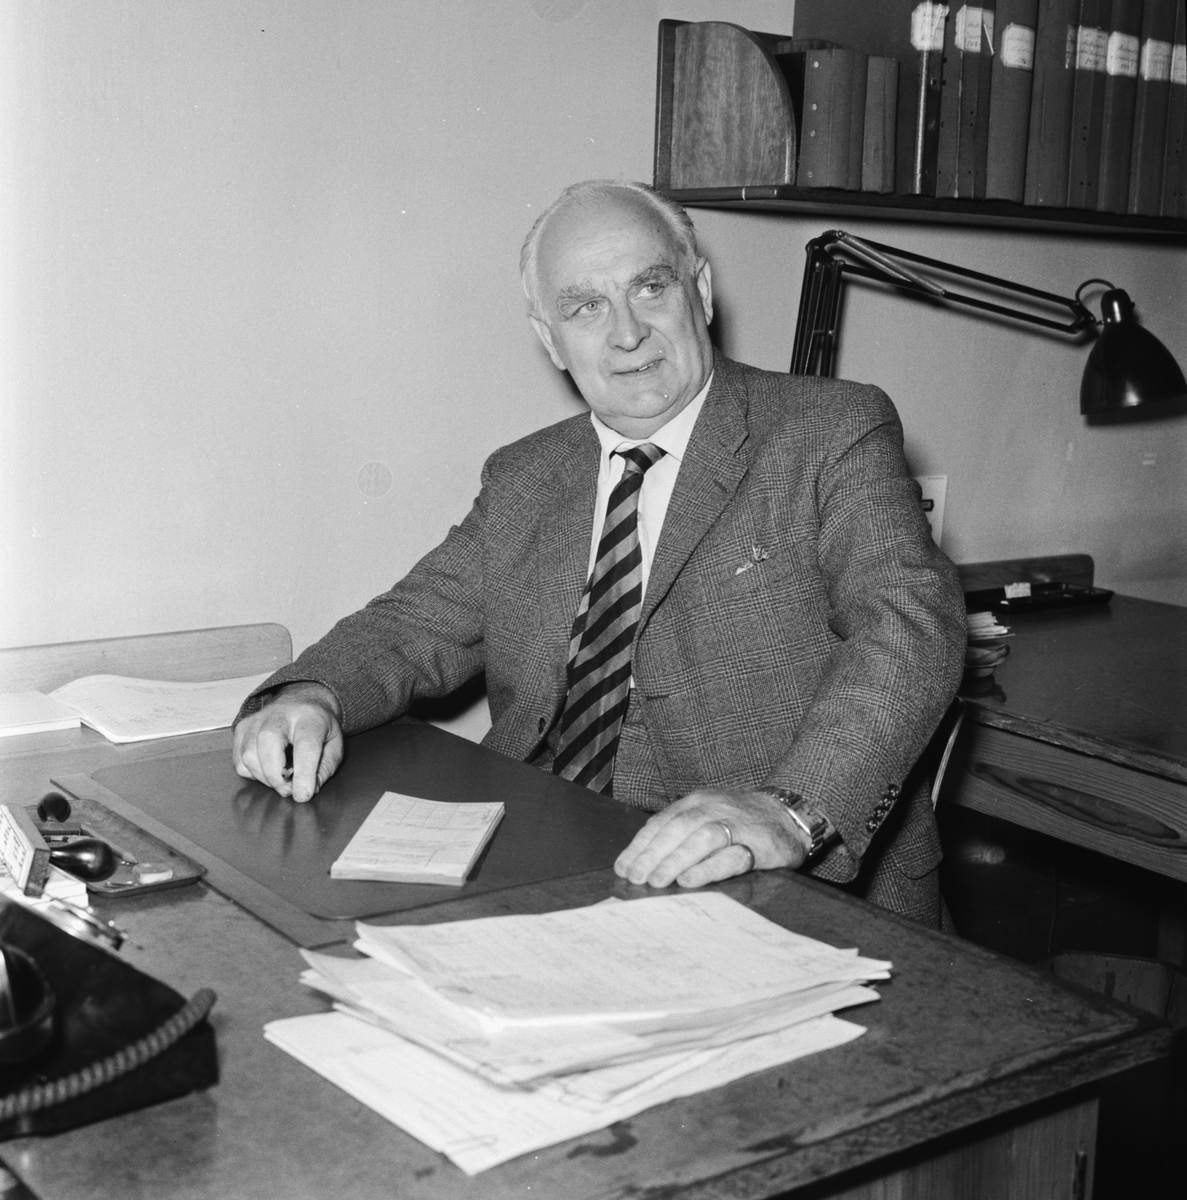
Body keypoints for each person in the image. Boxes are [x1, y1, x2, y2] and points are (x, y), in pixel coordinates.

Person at [233, 179, 965, 924]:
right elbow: (415, 623)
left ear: (700, 292)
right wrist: (310, 694)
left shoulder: (830, 429)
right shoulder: (527, 475)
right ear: (550, 339)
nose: (627, 333)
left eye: (650, 287)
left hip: (770, 881)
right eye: (585, 306)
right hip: (542, 854)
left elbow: (907, 629)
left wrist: (789, 811)